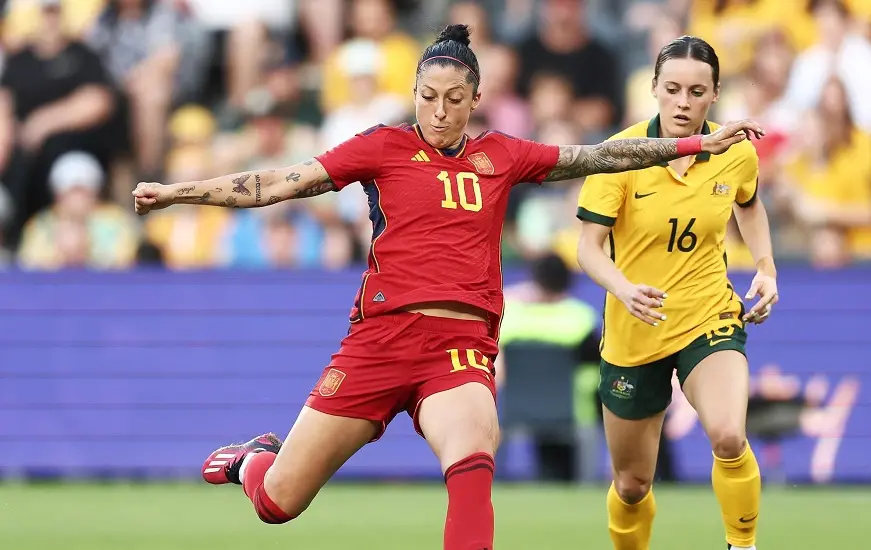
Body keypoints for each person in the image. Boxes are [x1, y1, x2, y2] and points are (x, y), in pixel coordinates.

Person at [132, 25, 763, 550]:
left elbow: (596, 156)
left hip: (459, 347)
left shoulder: (502, 155)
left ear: (475, 99)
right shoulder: (381, 148)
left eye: (455, 98)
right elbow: (279, 183)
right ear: (413, 93)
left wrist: (694, 143)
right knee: (278, 502)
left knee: (471, 459)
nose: (439, 111)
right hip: (378, 341)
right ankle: (254, 461)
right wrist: (179, 191)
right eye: (429, 96)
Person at [575, 36, 778, 550]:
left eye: (695, 90)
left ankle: (742, 544)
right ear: (653, 90)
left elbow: (749, 205)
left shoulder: (735, 154)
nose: (682, 102)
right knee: (631, 484)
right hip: (633, 329)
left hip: (707, 314)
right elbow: (588, 248)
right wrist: (622, 289)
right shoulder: (618, 155)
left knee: (729, 437)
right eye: (672, 89)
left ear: (714, 95)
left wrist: (765, 266)